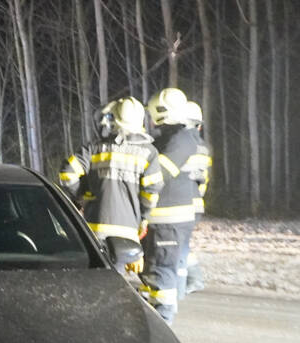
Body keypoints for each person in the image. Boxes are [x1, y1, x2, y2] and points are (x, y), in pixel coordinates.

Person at [58, 96, 164, 272]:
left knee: (93, 276)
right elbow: (151, 192)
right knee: (115, 279)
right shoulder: (149, 153)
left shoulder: (94, 148)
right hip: (126, 233)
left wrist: (83, 196)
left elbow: (66, 174)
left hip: (94, 229)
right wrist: (144, 216)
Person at [142, 87, 202, 323]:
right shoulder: (175, 138)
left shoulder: (180, 139)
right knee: (158, 268)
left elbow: (159, 176)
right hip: (167, 218)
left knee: (162, 269)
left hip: (168, 219)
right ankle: (155, 311)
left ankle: (163, 320)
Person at [181, 101, 212, 295]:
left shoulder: (182, 146)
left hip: (183, 203)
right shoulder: (202, 147)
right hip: (195, 202)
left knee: (180, 244)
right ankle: (190, 278)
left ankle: (193, 278)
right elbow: (203, 180)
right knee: (182, 243)